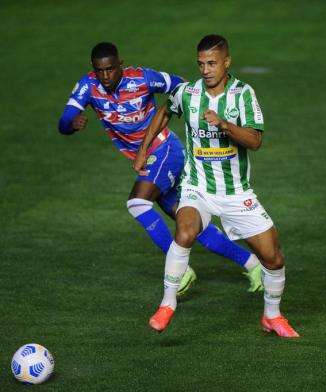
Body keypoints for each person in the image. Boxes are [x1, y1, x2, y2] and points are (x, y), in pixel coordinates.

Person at [58, 42, 264, 296]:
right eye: (100, 71)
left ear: (120, 65)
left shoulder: (143, 78)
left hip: (165, 150)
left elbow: (180, 85)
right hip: (148, 159)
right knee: (190, 225)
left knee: (137, 203)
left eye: (110, 69)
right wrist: (71, 125)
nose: (106, 76)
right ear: (93, 69)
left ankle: (181, 270)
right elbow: (64, 121)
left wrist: (197, 107)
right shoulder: (88, 86)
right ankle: (253, 265)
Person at [134, 34, 299, 337]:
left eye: (211, 63)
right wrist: (145, 148)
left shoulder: (243, 95)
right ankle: (167, 303)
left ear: (226, 62)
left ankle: (272, 316)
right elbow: (164, 111)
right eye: (201, 64)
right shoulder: (187, 93)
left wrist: (224, 124)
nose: (206, 69)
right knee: (185, 231)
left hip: (237, 193)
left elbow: (256, 140)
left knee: (273, 258)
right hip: (198, 188)